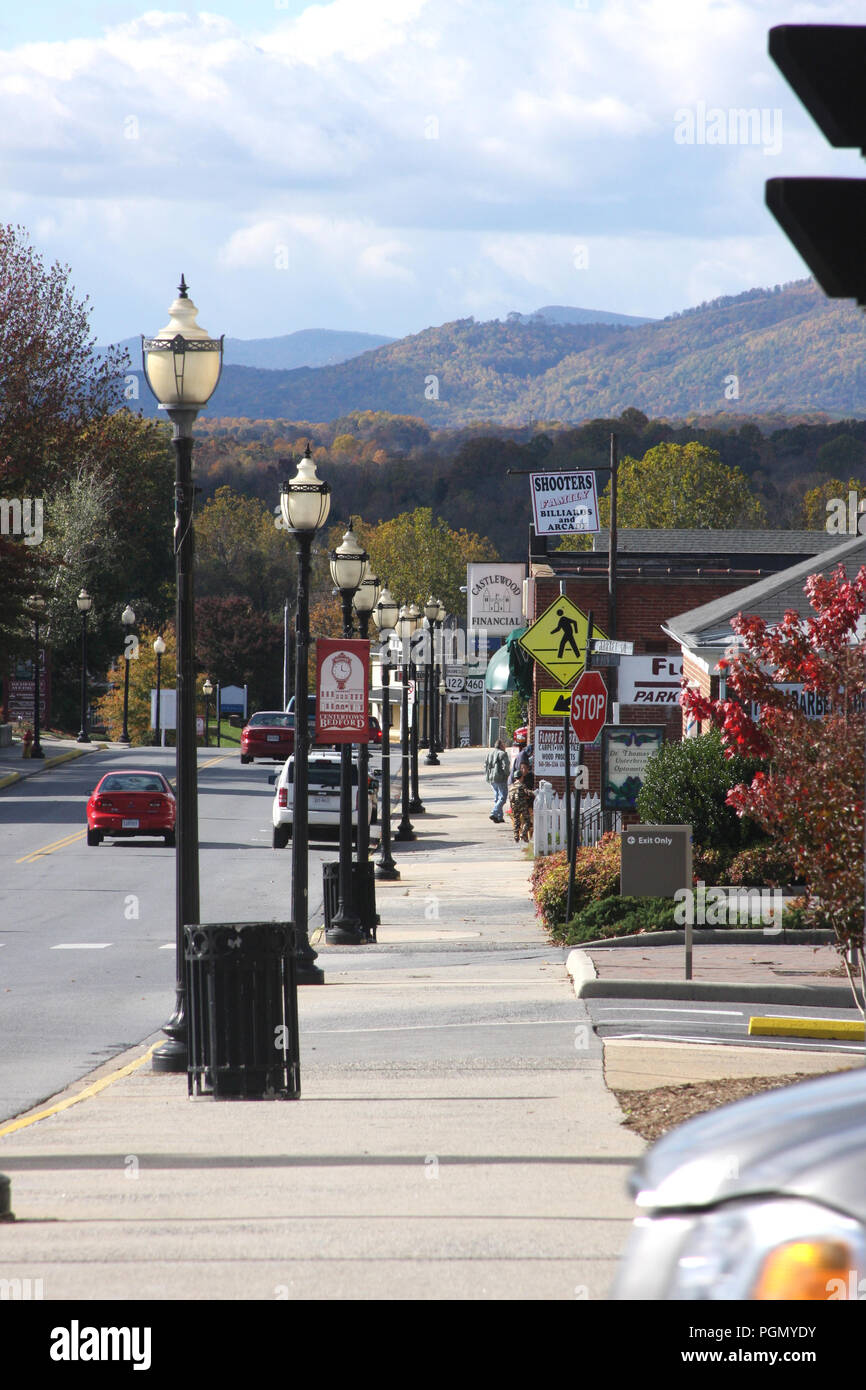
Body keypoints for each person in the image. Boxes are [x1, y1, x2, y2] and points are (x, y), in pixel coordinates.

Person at [484, 739, 510, 822]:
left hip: (491, 778)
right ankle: (494, 812)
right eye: (504, 744)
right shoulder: (503, 753)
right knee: (503, 797)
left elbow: (485, 765)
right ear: (501, 745)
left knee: (497, 797)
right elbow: (506, 766)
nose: (505, 746)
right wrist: (507, 774)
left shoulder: (489, 753)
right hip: (500, 777)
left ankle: (499, 817)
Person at [508, 765, 535, 843]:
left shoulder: (512, 786)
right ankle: (523, 833)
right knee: (527, 821)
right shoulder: (522, 785)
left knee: (516, 821)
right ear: (521, 777)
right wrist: (534, 793)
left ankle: (516, 836)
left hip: (514, 806)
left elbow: (510, 798)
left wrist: (511, 807)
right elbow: (528, 793)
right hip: (522, 805)